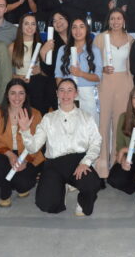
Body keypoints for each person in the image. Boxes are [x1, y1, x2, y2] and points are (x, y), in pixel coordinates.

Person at [18, 78, 102, 215]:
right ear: (57, 93)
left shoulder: (86, 117)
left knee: (92, 183)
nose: (65, 95)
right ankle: (62, 188)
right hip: (54, 164)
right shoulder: (48, 118)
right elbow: (33, 148)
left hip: (78, 162)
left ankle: (82, 200)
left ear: (76, 93)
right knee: (46, 204)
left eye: (70, 90)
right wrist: (25, 131)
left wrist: (85, 162)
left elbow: (96, 142)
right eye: (62, 90)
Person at [0, 79, 44, 207]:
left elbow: (39, 142)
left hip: (29, 154)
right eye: (13, 93)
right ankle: (5, 194)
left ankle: (17, 185)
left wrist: (25, 161)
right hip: (4, 152)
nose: (17, 97)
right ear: (7, 95)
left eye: (21, 93)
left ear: (26, 95)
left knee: (23, 184)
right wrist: (10, 155)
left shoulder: (35, 114)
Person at [93, 8, 134, 179]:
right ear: (108, 21)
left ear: (124, 21)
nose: (115, 21)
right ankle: (102, 167)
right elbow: (93, 62)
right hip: (105, 83)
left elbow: (132, 66)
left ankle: (117, 164)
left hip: (124, 84)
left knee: (120, 124)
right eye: (112, 18)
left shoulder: (130, 39)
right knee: (103, 125)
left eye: (119, 18)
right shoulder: (100, 38)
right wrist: (101, 69)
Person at [54, 17, 102, 118]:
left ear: (87, 30)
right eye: (74, 27)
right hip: (67, 94)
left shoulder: (94, 50)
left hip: (88, 93)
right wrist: (62, 92)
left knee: (89, 124)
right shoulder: (63, 50)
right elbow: (58, 75)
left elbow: (98, 77)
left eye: (81, 27)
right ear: (70, 30)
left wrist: (81, 74)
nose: (78, 31)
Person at [8, 13, 51, 114]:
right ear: (21, 26)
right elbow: (7, 72)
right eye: (26, 24)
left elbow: (50, 73)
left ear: (36, 27)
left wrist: (40, 70)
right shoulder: (12, 47)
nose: (30, 27)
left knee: (38, 115)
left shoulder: (43, 46)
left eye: (33, 24)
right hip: (21, 87)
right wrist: (18, 77)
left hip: (39, 87)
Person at [37, 10, 70, 112]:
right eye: (54, 21)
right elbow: (48, 71)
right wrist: (43, 53)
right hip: (56, 85)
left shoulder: (77, 37)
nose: (58, 22)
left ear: (68, 20)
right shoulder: (49, 42)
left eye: (61, 18)